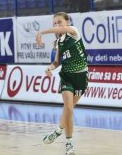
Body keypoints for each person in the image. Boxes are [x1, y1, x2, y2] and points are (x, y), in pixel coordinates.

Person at [36, 12, 89, 155]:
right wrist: (49, 68)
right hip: (66, 76)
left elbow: (61, 30)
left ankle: (58, 130)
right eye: (54, 23)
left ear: (67, 22)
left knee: (68, 111)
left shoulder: (73, 32)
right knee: (69, 109)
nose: (57, 26)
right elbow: (56, 62)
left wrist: (41, 32)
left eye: (59, 22)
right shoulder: (58, 43)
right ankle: (69, 144)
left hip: (81, 77)